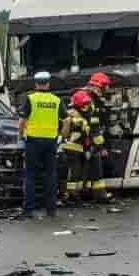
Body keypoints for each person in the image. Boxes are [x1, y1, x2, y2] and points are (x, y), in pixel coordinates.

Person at [19, 71, 61, 219]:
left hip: (33, 141)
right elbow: (67, 120)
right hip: (51, 141)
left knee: (31, 175)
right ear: (48, 84)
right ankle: (51, 210)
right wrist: (62, 136)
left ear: (36, 84)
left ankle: (29, 210)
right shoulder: (56, 100)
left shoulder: (30, 99)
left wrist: (20, 135)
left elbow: (23, 120)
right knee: (50, 175)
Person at [79, 72, 112, 203]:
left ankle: (87, 193)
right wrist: (100, 146)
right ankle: (100, 195)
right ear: (99, 87)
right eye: (104, 88)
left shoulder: (85, 96)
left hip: (83, 140)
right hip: (88, 140)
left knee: (86, 168)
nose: (105, 91)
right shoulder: (89, 100)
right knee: (95, 167)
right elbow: (94, 126)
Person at [60, 91, 93, 202]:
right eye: (85, 104)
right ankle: (72, 194)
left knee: (69, 172)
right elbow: (86, 137)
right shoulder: (80, 120)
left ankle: (68, 194)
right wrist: (88, 149)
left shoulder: (67, 115)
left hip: (65, 148)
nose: (87, 107)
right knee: (75, 172)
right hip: (75, 149)